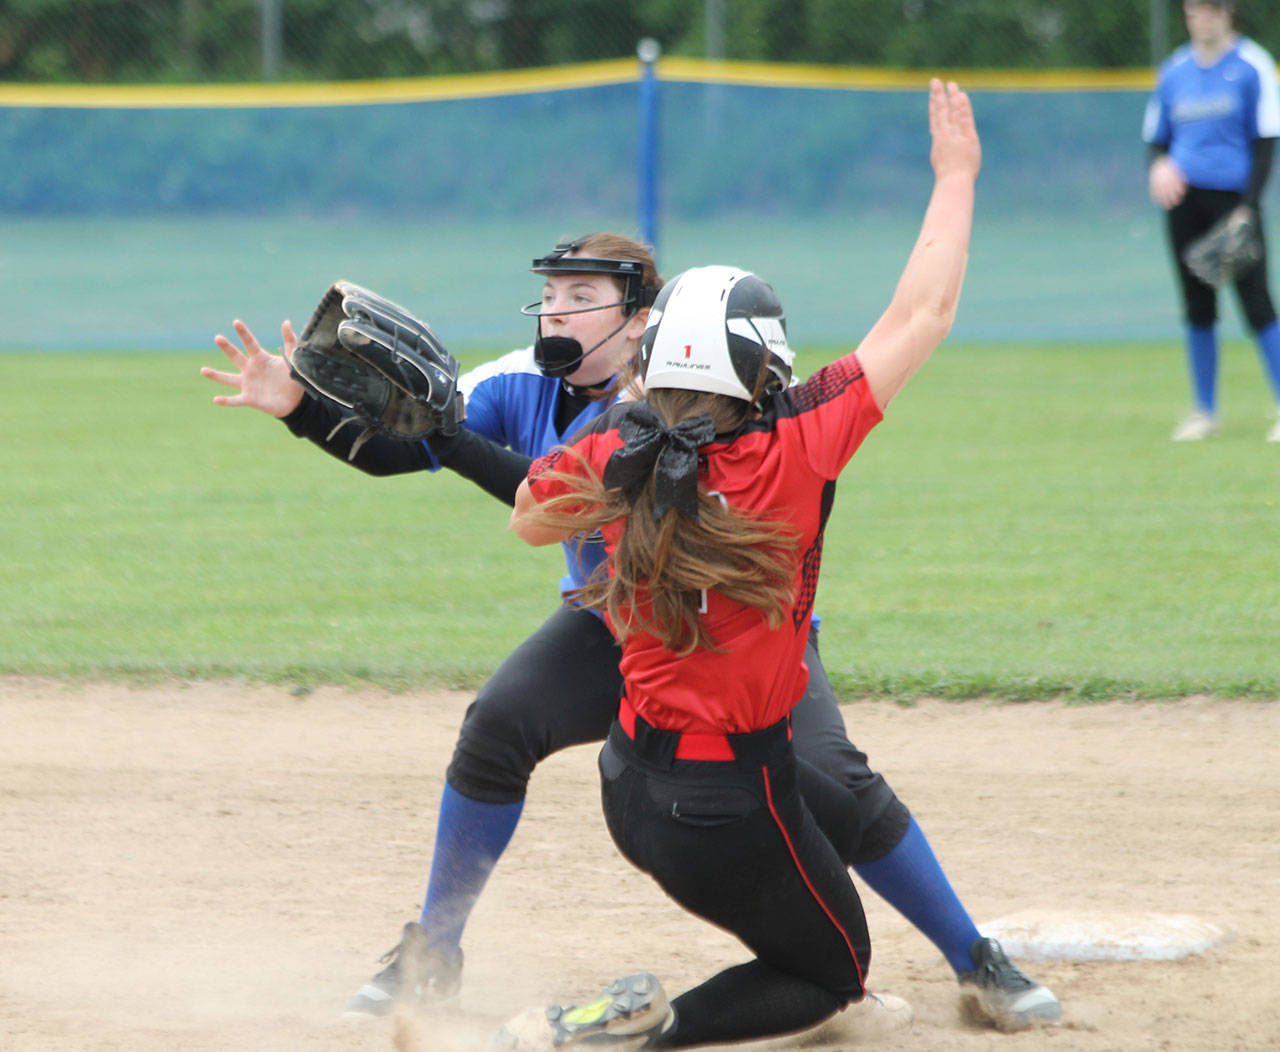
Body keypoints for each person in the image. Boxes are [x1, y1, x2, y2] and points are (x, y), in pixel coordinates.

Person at [202, 168, 1057, 1041]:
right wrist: (302, 408)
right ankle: (434, 953)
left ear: (642, 320)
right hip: (615, 623)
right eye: (549, 296)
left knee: (836, 781)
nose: (556, 313)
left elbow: (533, 502)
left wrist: (467, 445)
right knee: (497, 728)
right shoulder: (526, 386)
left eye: (581, 296)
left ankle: (974, 957)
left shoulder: (636, 419)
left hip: (742, 633)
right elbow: (402, 453)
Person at [504, 80, 991, 1049]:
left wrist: (620, 437)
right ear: (758, 370)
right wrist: (955, 175)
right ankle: (621, 1031)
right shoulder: (796, 444)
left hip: (627, 782)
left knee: (819, 852)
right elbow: (921, 313)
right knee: (833, 970)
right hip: (724, 800)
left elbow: (526, 518)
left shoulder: (614, 449)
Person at [1143, 0, 1280, 442]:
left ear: (1226, 12)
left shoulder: (1252, 65)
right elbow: (1157, 139)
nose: (1198, 17)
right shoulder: (1174, 70)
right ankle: (1205, 411)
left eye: (1207, 9)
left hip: (1233, 202)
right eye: (1191, 10)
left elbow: (1265, 142)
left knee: (1257, 304)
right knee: (1197, 305)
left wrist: (1249, 206)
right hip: (1184, 200)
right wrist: (1159, 165)